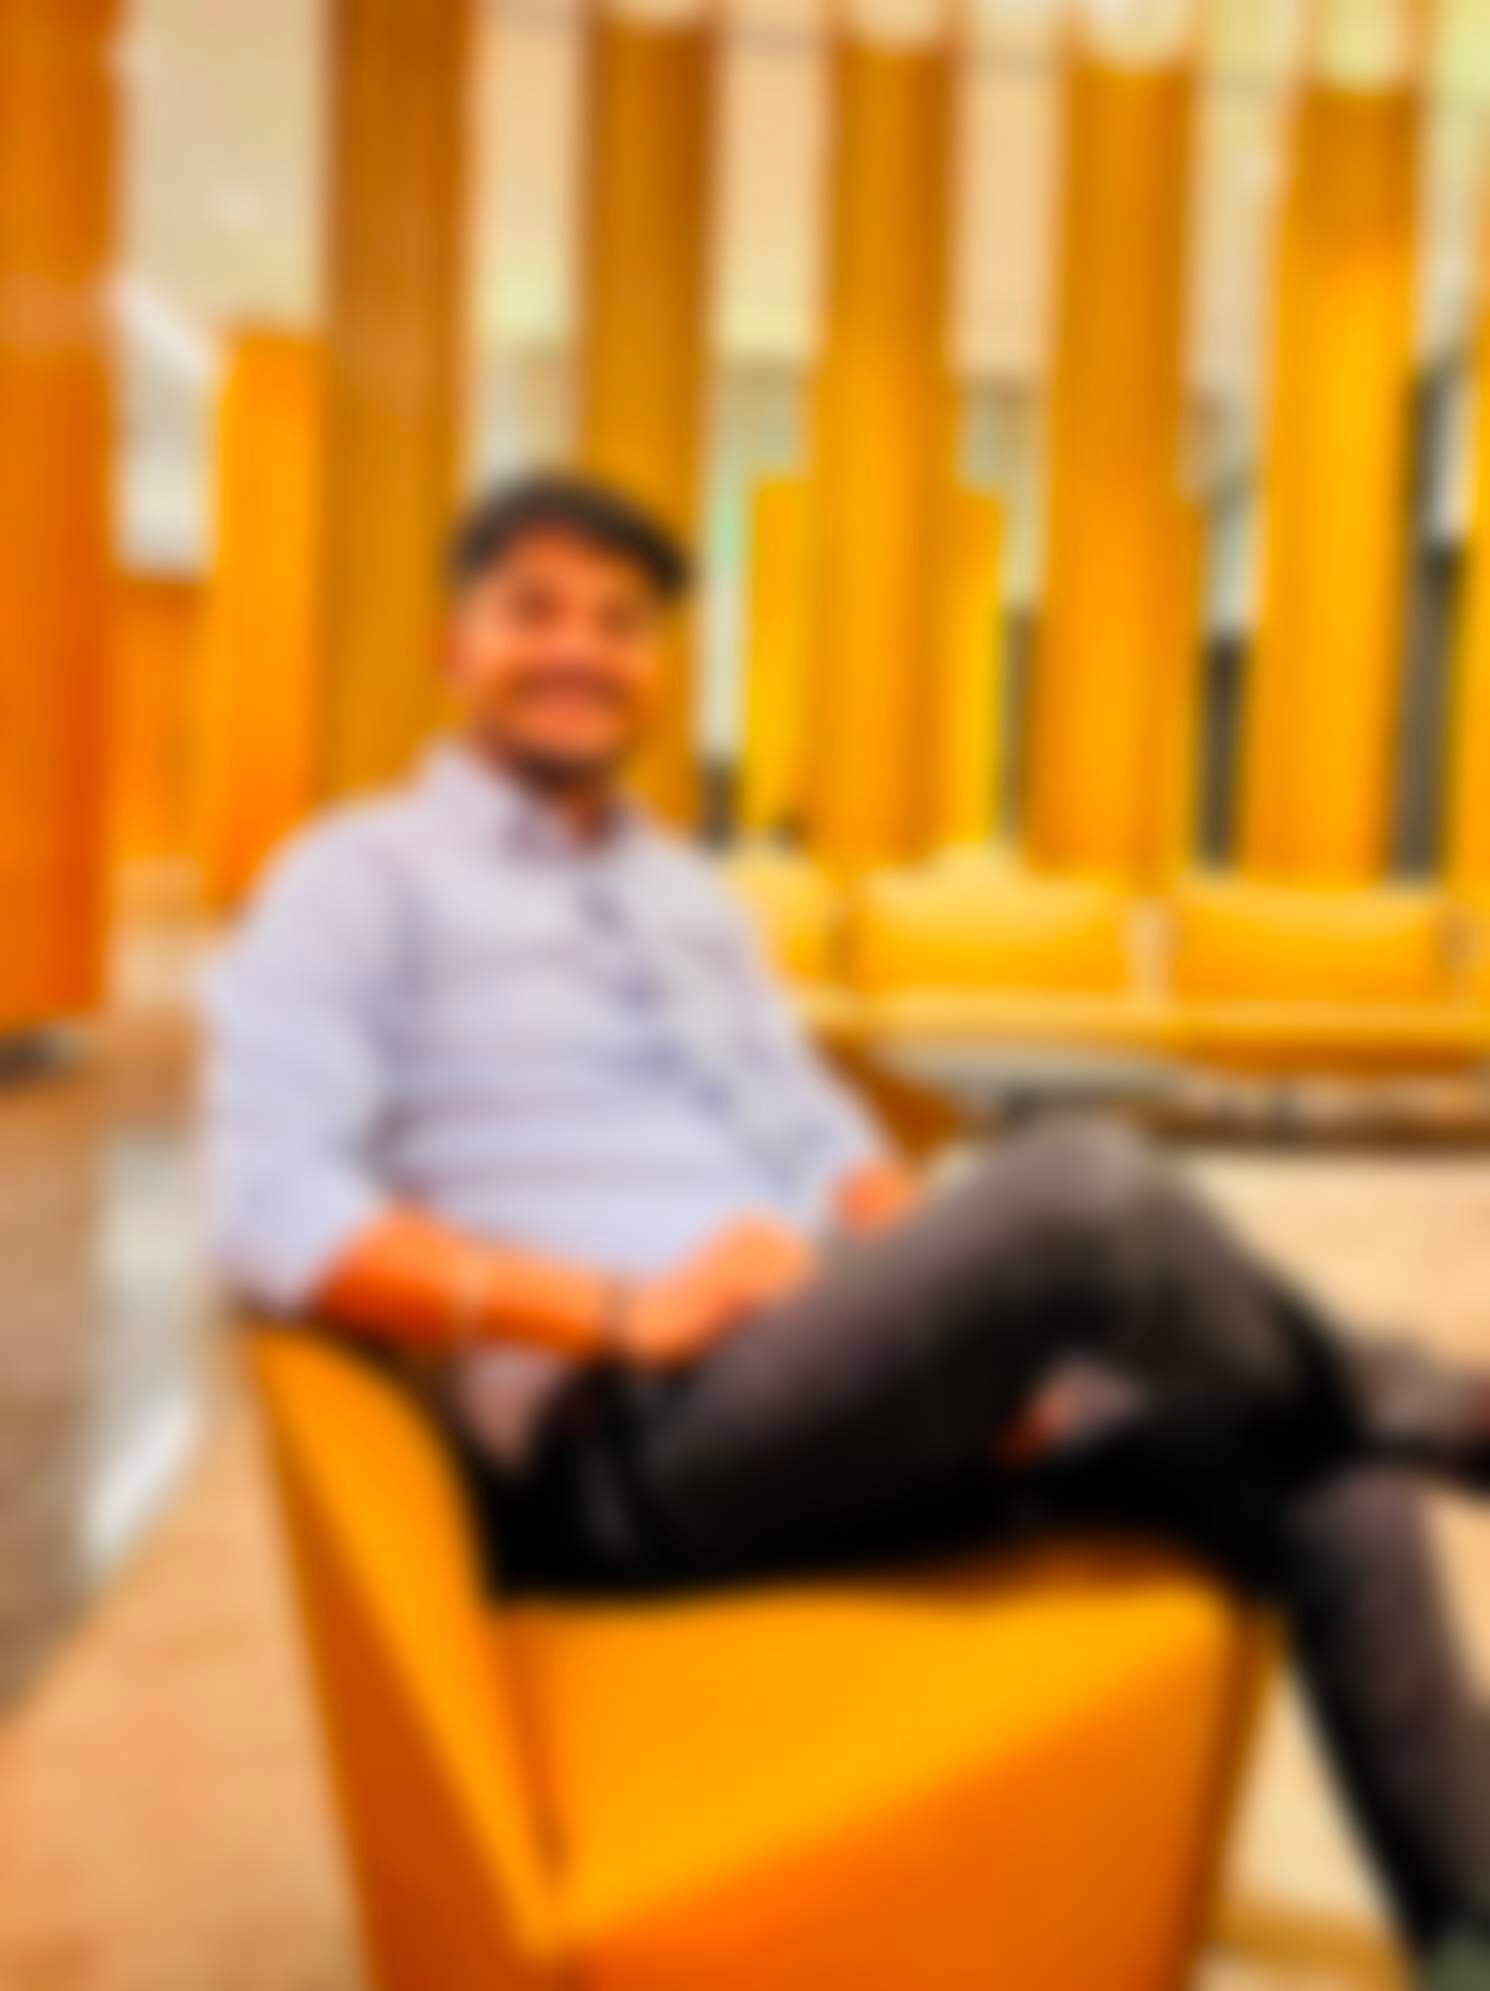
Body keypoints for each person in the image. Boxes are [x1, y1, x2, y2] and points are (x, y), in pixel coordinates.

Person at [206, 471, 1490, 1985]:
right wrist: (614, 1313)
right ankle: (1445, 1410)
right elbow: (271, 1206)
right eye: (532, 611)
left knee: (1333, 1486)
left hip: (828, 1386)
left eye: (618, 622)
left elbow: (823, 1143)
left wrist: (966, 1338)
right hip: (640, 1449)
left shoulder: (681, 891)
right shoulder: (353, 878)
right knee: (1078, 1187)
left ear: (654, 662)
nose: (578, 650)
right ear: (453, 645)